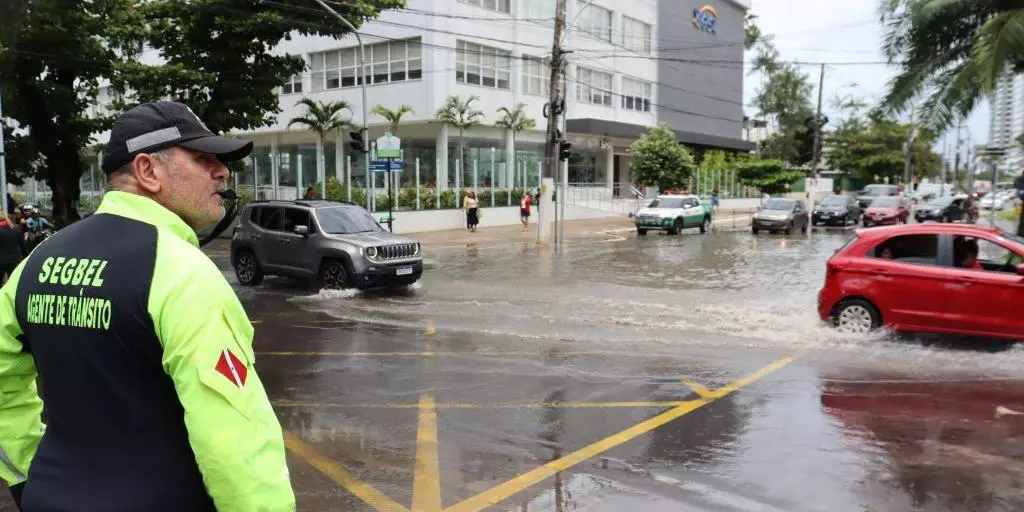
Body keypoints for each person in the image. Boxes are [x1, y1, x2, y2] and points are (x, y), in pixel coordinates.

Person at [0, 101, 294, 511]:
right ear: (148, 171)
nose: (222, 171)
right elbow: (235, 441)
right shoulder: (181, 271)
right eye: (202, 158)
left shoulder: (40, 259)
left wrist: (27, 472)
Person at [0, 213, 23, 283]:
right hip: (15, 260)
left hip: (1, 261)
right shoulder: (17, 230)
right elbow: (23, 246)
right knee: (14, 282)